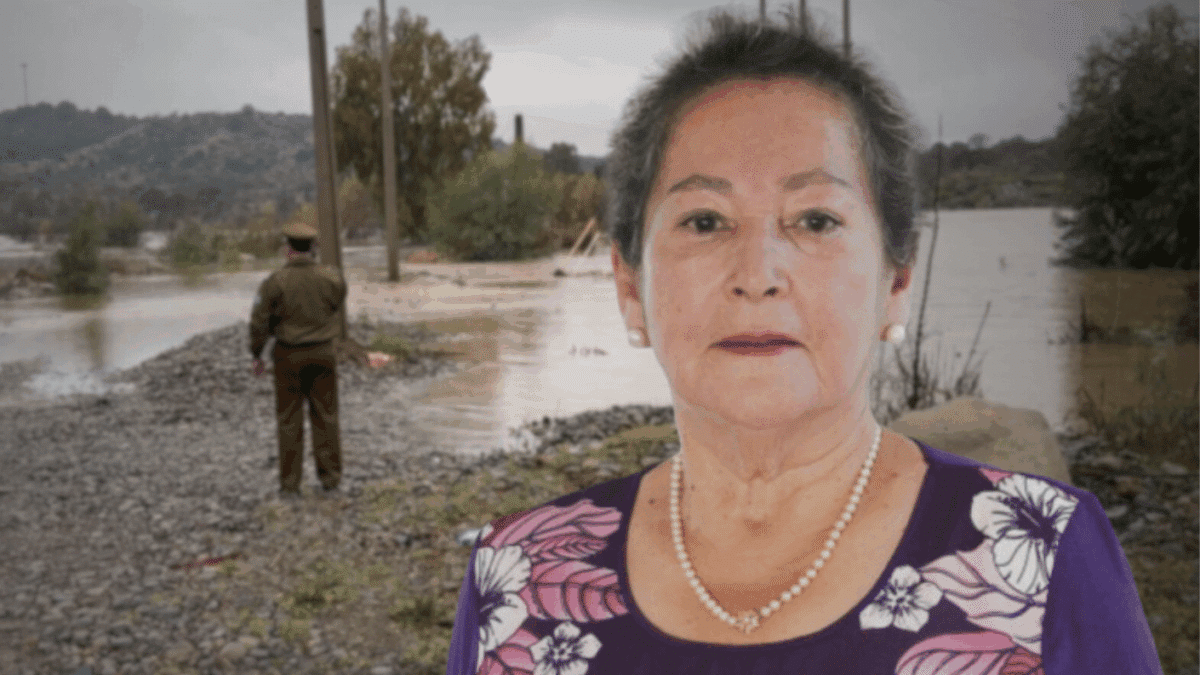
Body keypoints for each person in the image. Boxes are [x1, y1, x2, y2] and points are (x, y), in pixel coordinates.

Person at [444, 11, 1163, 675]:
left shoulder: (1043, 559)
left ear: (896, 280)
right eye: (705, 221)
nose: (758, 275)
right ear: (631, 287)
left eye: (815, 220)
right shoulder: (519, 580)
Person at [250, 221, 347, 498]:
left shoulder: (275, 281)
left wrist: (257, 354)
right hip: (323, 353)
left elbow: (259, 322)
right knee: (326, 416)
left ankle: (290, 485)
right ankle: (330, 480)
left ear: (287, 249)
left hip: (288, 356)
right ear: (313, 247)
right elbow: (336, 304)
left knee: (289, 420)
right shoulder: (332, 278)